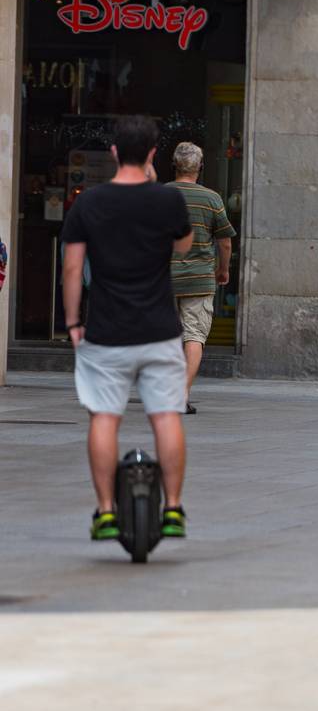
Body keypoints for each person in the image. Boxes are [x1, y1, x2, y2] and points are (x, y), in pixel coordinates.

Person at [62, 115, 195, 542]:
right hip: (159, 329)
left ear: (114, 152)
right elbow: (183, 245)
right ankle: (173, 509)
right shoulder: (168, 201)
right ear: (154, 153)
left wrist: (72, 323)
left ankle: (105, 512)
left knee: (104, 417)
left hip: (106, 331)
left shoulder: (90, 203)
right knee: (166, 416)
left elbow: (72, 266)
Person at [167, 142, 235, 415]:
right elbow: (225, 242)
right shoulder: (212, 199)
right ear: (200, 168)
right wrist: (223, 269)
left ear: (174, 166)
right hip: (199, 278)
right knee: (194, 336)